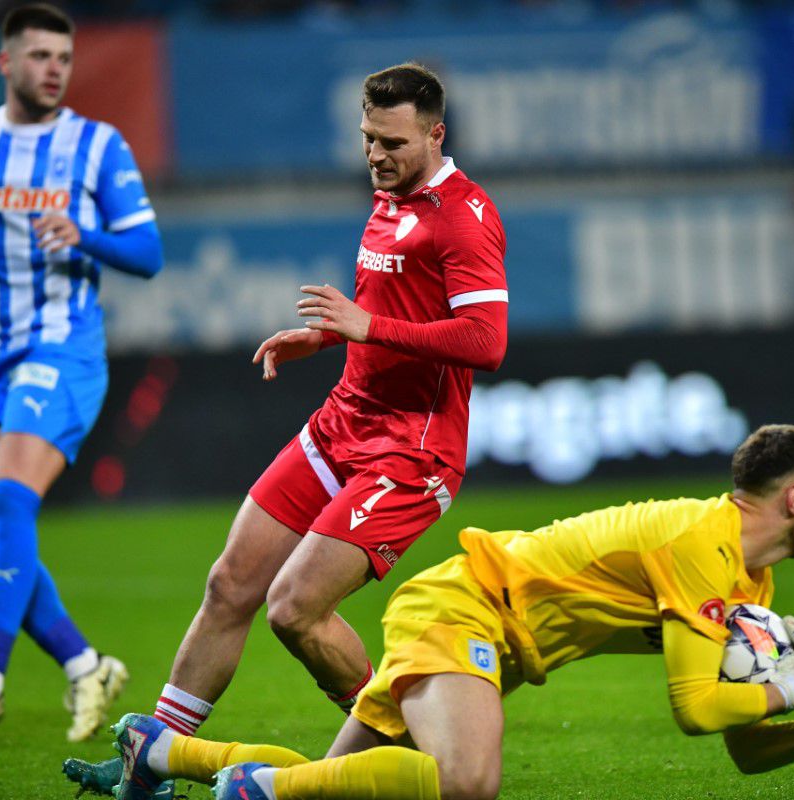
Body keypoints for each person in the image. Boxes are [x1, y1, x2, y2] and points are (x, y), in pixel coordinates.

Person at [70, 424, 794, 800]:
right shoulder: (700, 543)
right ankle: (258, 791)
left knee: (336, 782)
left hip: (479, 624)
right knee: (466, 785)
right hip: (468, 610)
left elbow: (741, 748)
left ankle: (164, 751)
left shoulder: (750, 585)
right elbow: (696, 709)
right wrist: (789, 688)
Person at [113, 61, 507, 758]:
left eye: (393, 142)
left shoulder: (464, 218)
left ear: (436, 135)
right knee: (229, 584)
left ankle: (403, 749)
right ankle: (152, 760)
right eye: (368, 139)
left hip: (411, 453)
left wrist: (365, 327)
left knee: (294, 609)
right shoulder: (389, 197)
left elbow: (486, 341)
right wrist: (325, 337)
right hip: (342, 423)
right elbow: (389, 307)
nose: (376, 156)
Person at [0, 3, 163, 741]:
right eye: (40, 56)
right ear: (6, 62)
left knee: (11, 499)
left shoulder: (95, 145)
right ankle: (86, 665)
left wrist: (84, 234)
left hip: (62, 349)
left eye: (64, 58)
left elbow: (147, 253)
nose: (54, 69)